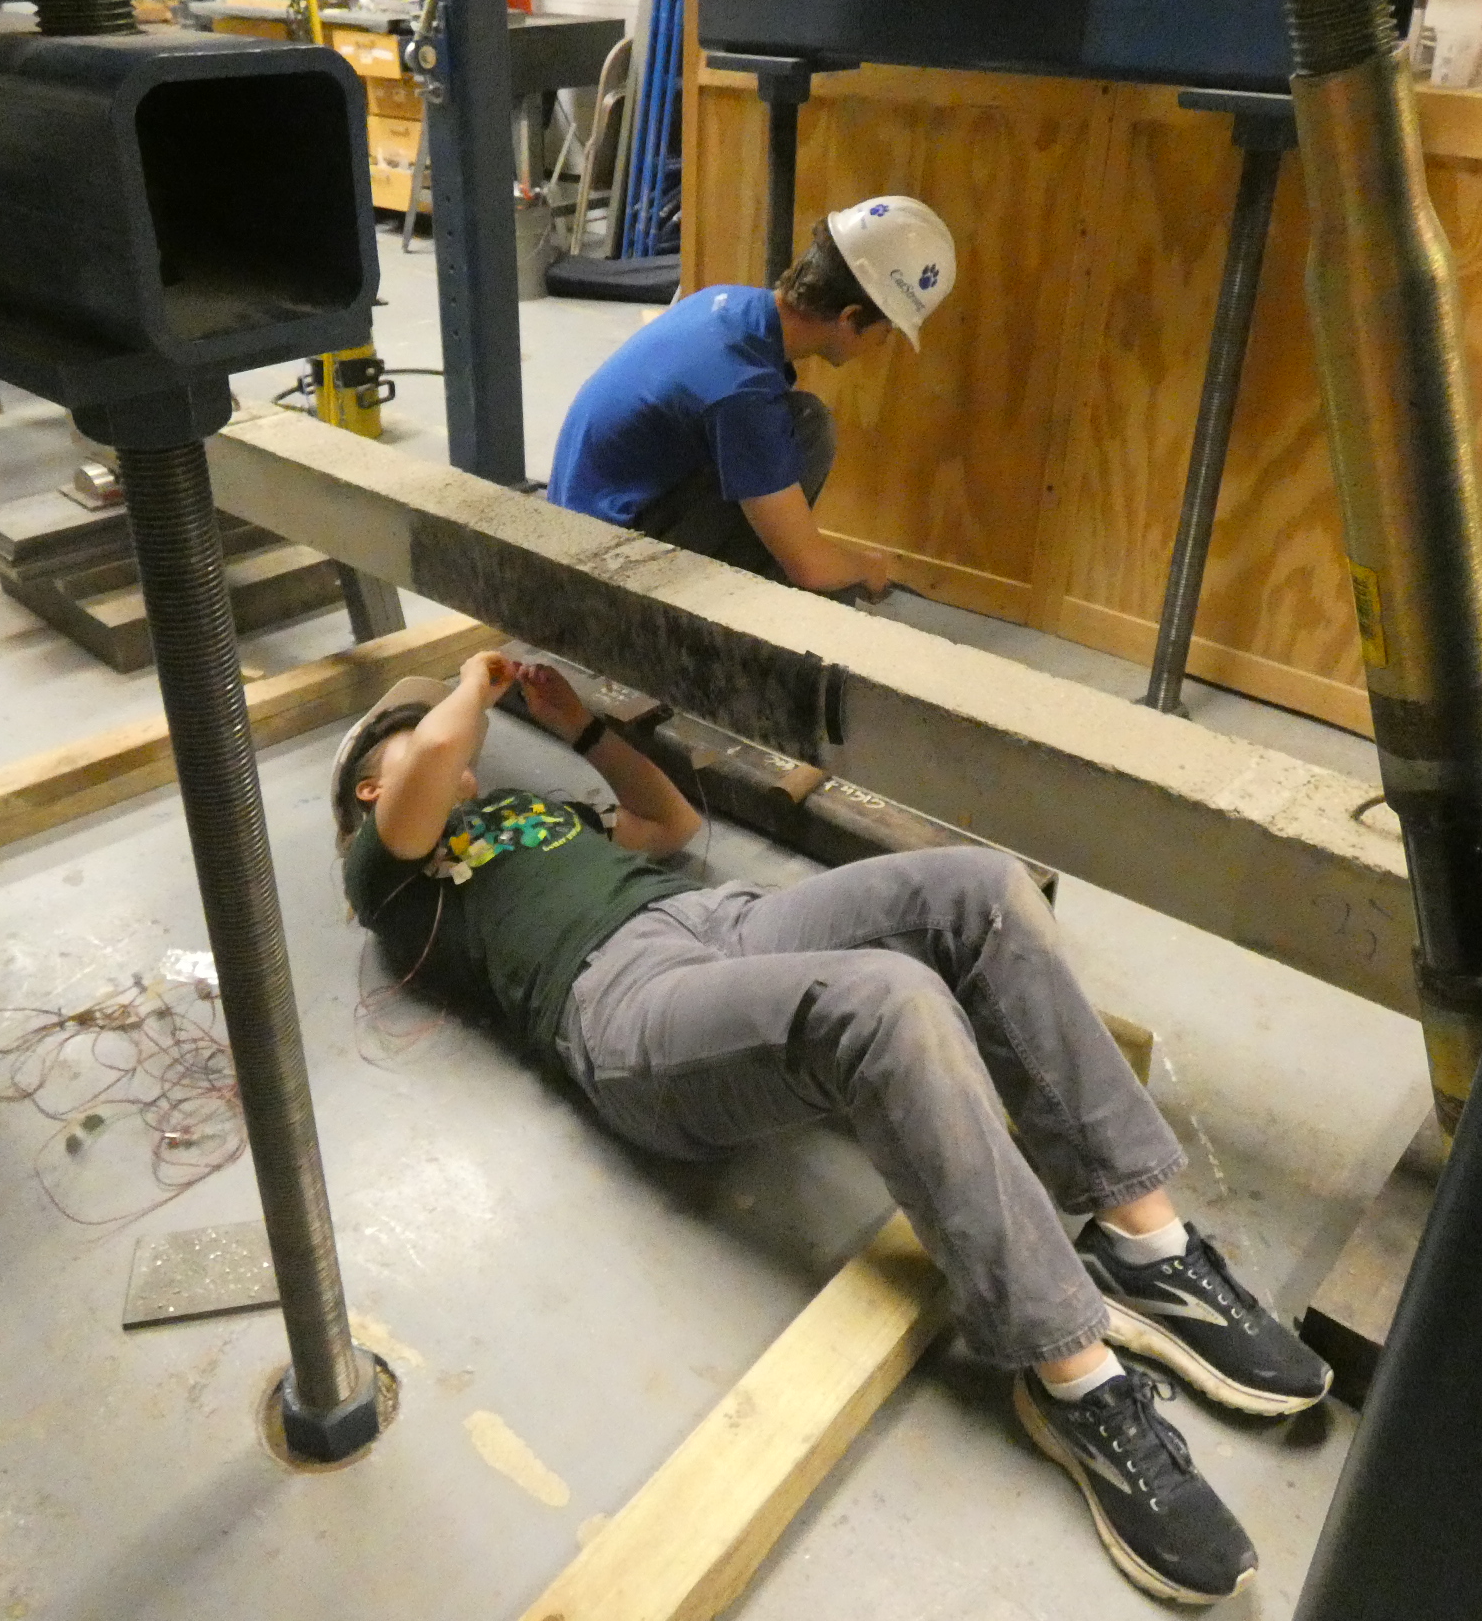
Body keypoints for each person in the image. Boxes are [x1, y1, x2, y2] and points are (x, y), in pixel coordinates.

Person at [333, 652, 1333, 1607]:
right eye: (421, 746)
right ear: (372, 791)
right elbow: (431, 761)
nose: (457, 755)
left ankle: (1147, 1246)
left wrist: (582, 728)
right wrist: (469, 688)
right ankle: (1072, 1378)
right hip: (617, 1001)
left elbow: (670, 820)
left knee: (982, 891)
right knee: (887, 1004)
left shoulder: (538, 816)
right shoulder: (388, 876)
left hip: (714, 921)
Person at [547, 197, 956, 598]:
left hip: (582, 525)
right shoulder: (741, 390)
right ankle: (714, 613)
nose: (882, 344)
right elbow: (812, 568)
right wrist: (867, 568)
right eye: (887, 331)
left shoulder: (729, 304)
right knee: (809, 450)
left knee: (802, 424)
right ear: (850, 318)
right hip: (598, 570)